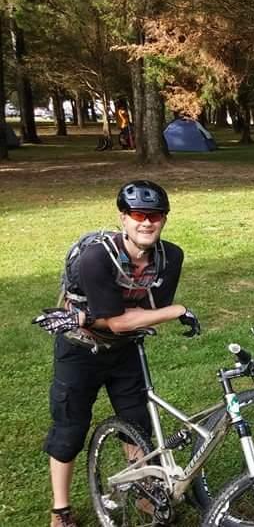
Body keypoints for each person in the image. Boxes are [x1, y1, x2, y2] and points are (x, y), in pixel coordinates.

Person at [32, 180, 200, 527]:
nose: (147, 222)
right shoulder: (97, 258)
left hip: (125, 351)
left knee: (137, 424)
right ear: (123, 218)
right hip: (79, 350)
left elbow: (143, 313)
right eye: (138, 214)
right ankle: (60, 512)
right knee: (69, 430)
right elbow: (121, 321)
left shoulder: (171, 257)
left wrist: (141, 315)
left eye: (155, 215)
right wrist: (177, 311)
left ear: (164, 219)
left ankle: (143, 494)